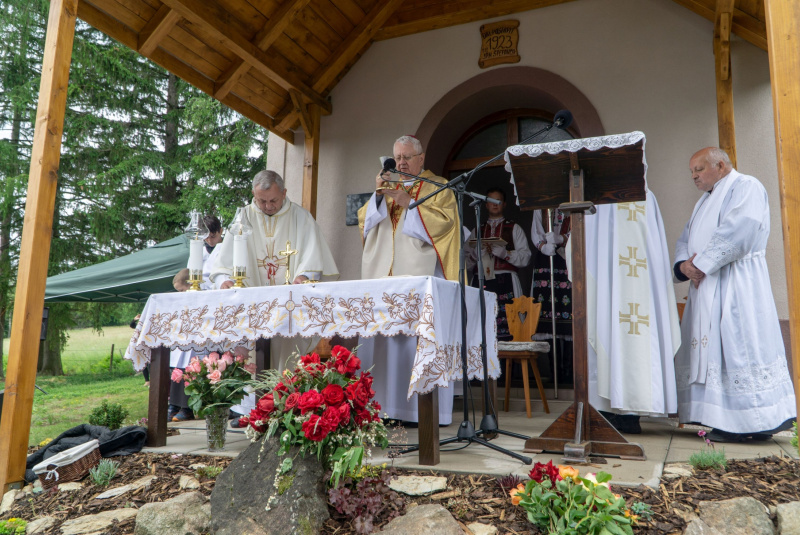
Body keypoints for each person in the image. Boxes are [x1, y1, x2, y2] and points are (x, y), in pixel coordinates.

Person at [673, 147, 796, 442]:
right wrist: (684, 266)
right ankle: (718, 416)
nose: (694, 176)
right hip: (706, 285)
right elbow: (686, 237)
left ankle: (751, 420)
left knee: (738, 343)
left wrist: (700, 265)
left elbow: (739, 230)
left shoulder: (746, 187)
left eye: (698, 170)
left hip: (737, 283)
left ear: (720, 165)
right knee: (715, 347)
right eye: (691, 172)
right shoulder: (705, 201)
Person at [211, 170, 339, 422]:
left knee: (287, 353)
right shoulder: (243, 218)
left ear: (284, 193)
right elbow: (222, 263)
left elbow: (313, 259)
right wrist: (222, 280)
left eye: (273, 201)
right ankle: (248, 411)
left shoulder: (301, 218)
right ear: (253, 195)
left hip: (289, 305)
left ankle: (286, 407)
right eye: (261, 201)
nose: (268, 206)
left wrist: (305, 276)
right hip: (251, 303)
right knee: (248, 352)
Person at [357, 135, 461, 425]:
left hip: (419, 280)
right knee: (386, 348)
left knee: (417, 345)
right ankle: (385, 409)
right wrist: (378, 196)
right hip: (386, 281)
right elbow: (365, 223)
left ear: (421, 158)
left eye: (407, 157)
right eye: (397, 157)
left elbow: (445, 226)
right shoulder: (388, 184)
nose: (401, 162)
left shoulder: (439, 186)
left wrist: (410, 203)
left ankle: (421, 414)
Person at [579, 193, 681, 434]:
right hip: (613, 289)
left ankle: (625, 415)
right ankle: (611, 415)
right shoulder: (612, 198)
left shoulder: (620, 197)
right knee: (610, 335)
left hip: (629, 289)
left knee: (619, 337)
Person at [467, 188, 531, 340]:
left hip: (506, 280)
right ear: (486, 205)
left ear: (504, 204)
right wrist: (474, 256)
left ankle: (508, 361)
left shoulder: (514, 228)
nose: (495, 205)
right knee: (481, 324)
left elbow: (526, 256)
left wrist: (506, 254)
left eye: (498, 201)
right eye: (491, 201)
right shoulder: (477, 230)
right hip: (481, 280)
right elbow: (465, 261)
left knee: (510, 324)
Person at [530, 208, 573, 384]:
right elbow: (536, 229)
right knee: (548, 315)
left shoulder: (573, 200)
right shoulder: (541, 205)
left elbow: (580, 226)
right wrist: (543, 245)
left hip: (568, 255)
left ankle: (569, 371)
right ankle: (555, 371)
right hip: (546, 258)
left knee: (569, 312)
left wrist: (563, 238)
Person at [169, 269, 194, 421]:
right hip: (182, 339)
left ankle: (187, 407)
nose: (180, 294)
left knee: (189, 369)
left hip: (196, 344)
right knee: (177, 367)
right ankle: (174, 404)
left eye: (182, 290)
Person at [201, 215, 223, 290]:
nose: (209, 240)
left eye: (213, 236)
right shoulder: (200, 252)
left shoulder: (227, 249)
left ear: (221, 231)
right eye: (206, 237)